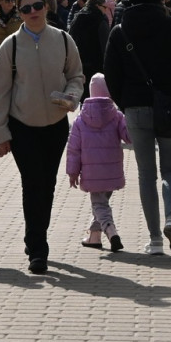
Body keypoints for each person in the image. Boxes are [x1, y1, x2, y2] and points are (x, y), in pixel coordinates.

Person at [0, 0, 84, 275]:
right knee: (33, 184)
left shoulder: (63, 39)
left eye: (37, 5)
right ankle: (38, 248)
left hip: (55, 125)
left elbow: (76, 76)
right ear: (19, 13)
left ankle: (36, 235)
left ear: (46, 7)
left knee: (48, 184)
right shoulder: (11, 46)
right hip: (22, 126)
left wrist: (71, 95)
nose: (33, 12)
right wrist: (0, 133)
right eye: (26, 8)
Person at [103, 0, 171, 256]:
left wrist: (124, 102)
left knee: (146, 174)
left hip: (135, 108)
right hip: (169, 105)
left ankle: (155, 239)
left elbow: (110, 73)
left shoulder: (120, 31)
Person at [66, 73, 130, 251]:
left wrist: (72, 172)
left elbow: (73, 149)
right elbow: (128, 137)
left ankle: (111, 230)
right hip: (112, 171)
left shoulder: (80, 120)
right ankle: (94, 237)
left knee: (99, 204)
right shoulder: (117, 116)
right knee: (101, 202)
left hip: (92, 173)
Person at [67, 0, 111, 99]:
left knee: (83, 96)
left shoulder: (77, 17)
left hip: (79, 63)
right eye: (104, 7)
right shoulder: (100, 20)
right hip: (96, 65)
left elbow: (70, 38)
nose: (105, 10)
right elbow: (106, 46)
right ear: (97, 6)